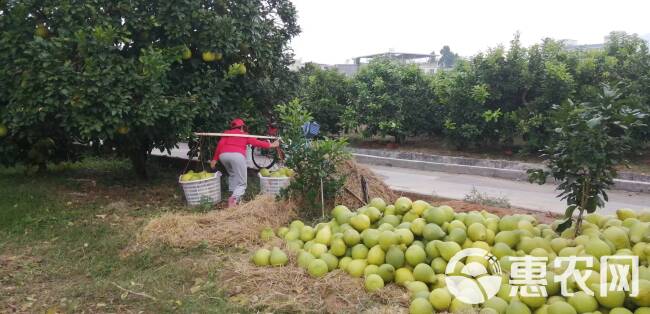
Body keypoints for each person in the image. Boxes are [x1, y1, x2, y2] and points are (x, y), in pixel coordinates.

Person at [210, 118, 280, 207]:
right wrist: (272, 145)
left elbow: (220, 144)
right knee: (242, 183)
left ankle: (232, 193)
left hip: (223, 155)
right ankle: (234, 199)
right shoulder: (244, 135)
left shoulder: (227, 133)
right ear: (242, 127)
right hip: (237, 156)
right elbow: (256, 142)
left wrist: (215, 159)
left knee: (233, 174)